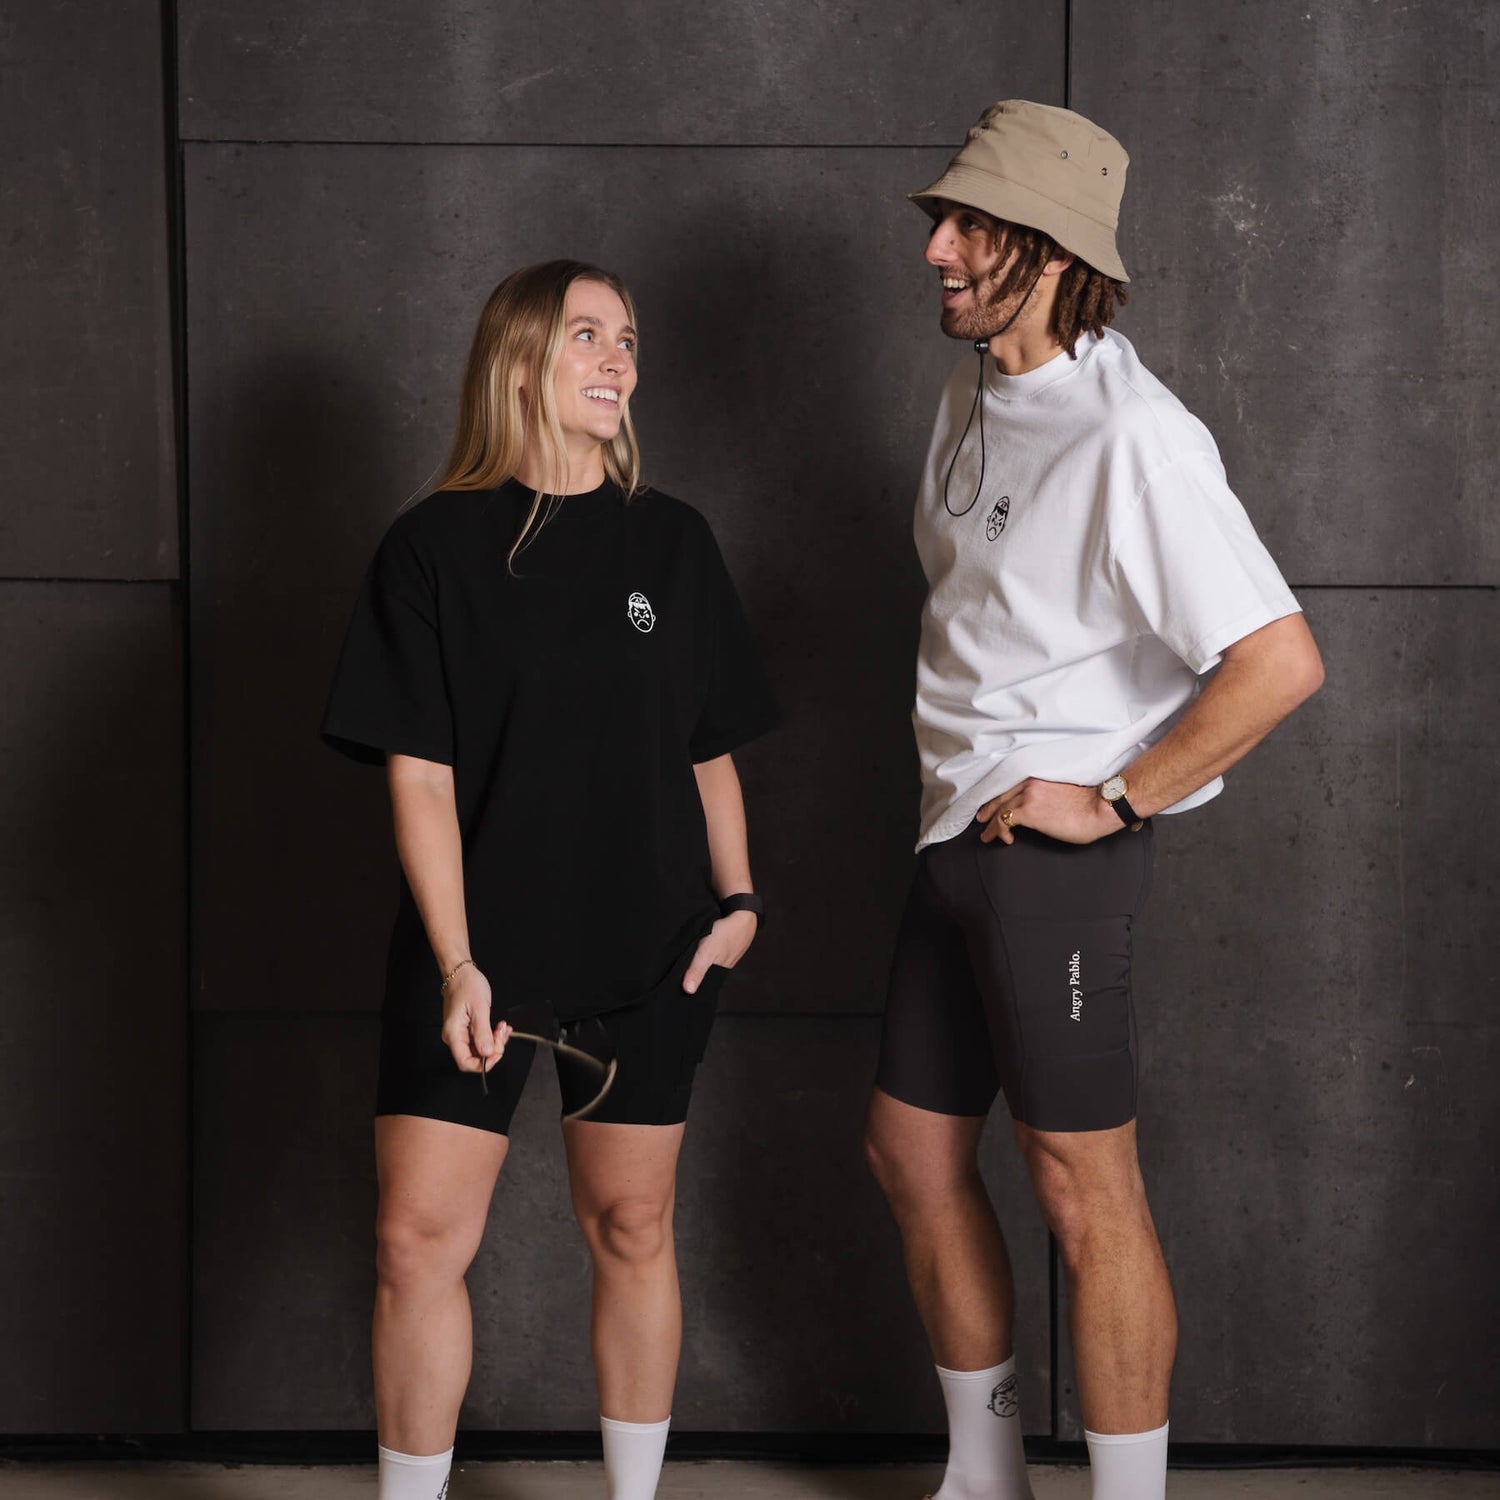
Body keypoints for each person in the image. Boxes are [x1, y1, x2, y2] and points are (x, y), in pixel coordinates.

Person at [864, 102, 1325, 1500]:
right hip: (951, 833)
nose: (937, 247)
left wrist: (1116, 799)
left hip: (1052, 865)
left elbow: (1279, 661)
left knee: (1083, 1193)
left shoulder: (1139, 438)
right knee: (910, 1154)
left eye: (974, 229)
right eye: (943, 219)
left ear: (1054, 255)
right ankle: (986, 1474)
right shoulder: (972, 388)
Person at [322, 260, 778, 1500]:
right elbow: (418, 776)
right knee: (416, 1241)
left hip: (647, 952)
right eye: (588, 335)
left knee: (632, 1229)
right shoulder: (429, 548)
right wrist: (461, 962)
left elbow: (709, 751)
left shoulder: (673, 543)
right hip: (475, 953)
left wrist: (739, 906)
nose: (618, 358)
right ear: (520, 359)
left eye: (628, 338)